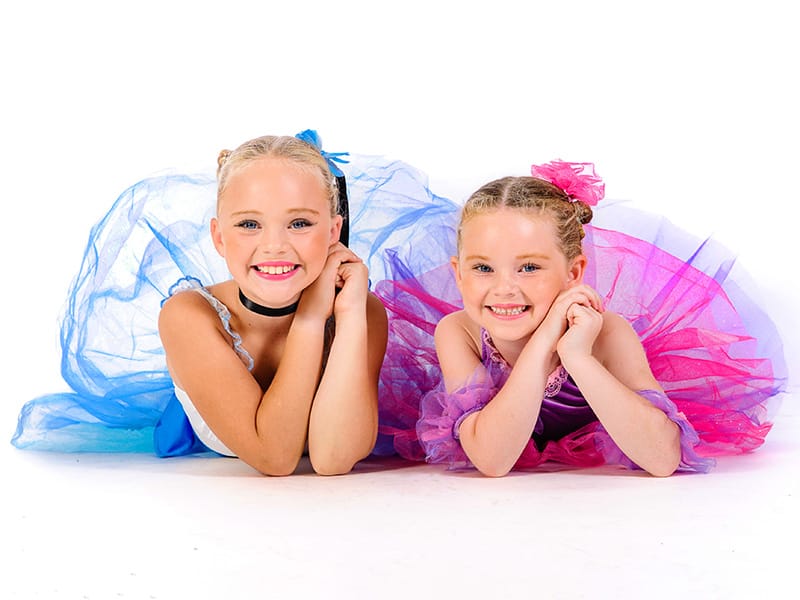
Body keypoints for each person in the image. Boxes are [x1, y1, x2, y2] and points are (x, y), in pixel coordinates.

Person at [408, 161, 785, 476]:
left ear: (573, 274)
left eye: (528, 267)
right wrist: (543, 343)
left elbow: (662, 459)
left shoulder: (607, 335)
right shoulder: (459, 333)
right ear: (458, 273)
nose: (505, 288)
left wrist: (577, 356)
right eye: (483, 268)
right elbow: (492, 460)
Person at [155, 134, 388, 475]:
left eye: (300, 223)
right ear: (219, 237)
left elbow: (333, 459)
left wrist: (350, 315)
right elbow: (275, 457)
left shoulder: (360, 309)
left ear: (334, 231)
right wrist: (309, 319)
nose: (274, 246)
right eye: (250, 224)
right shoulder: (188, 316)